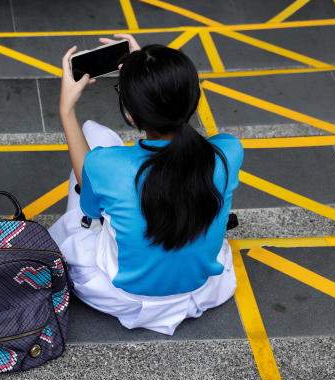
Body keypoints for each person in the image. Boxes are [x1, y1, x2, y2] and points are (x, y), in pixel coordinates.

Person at [49, 34, 242, 335]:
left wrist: (66, 111)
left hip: (122, 296)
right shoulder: (228, 152)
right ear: (193, 99)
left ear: (130, 113)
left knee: (93, 135)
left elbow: (92, 210)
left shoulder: (104, 165)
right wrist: (153, 79)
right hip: (201, 288)